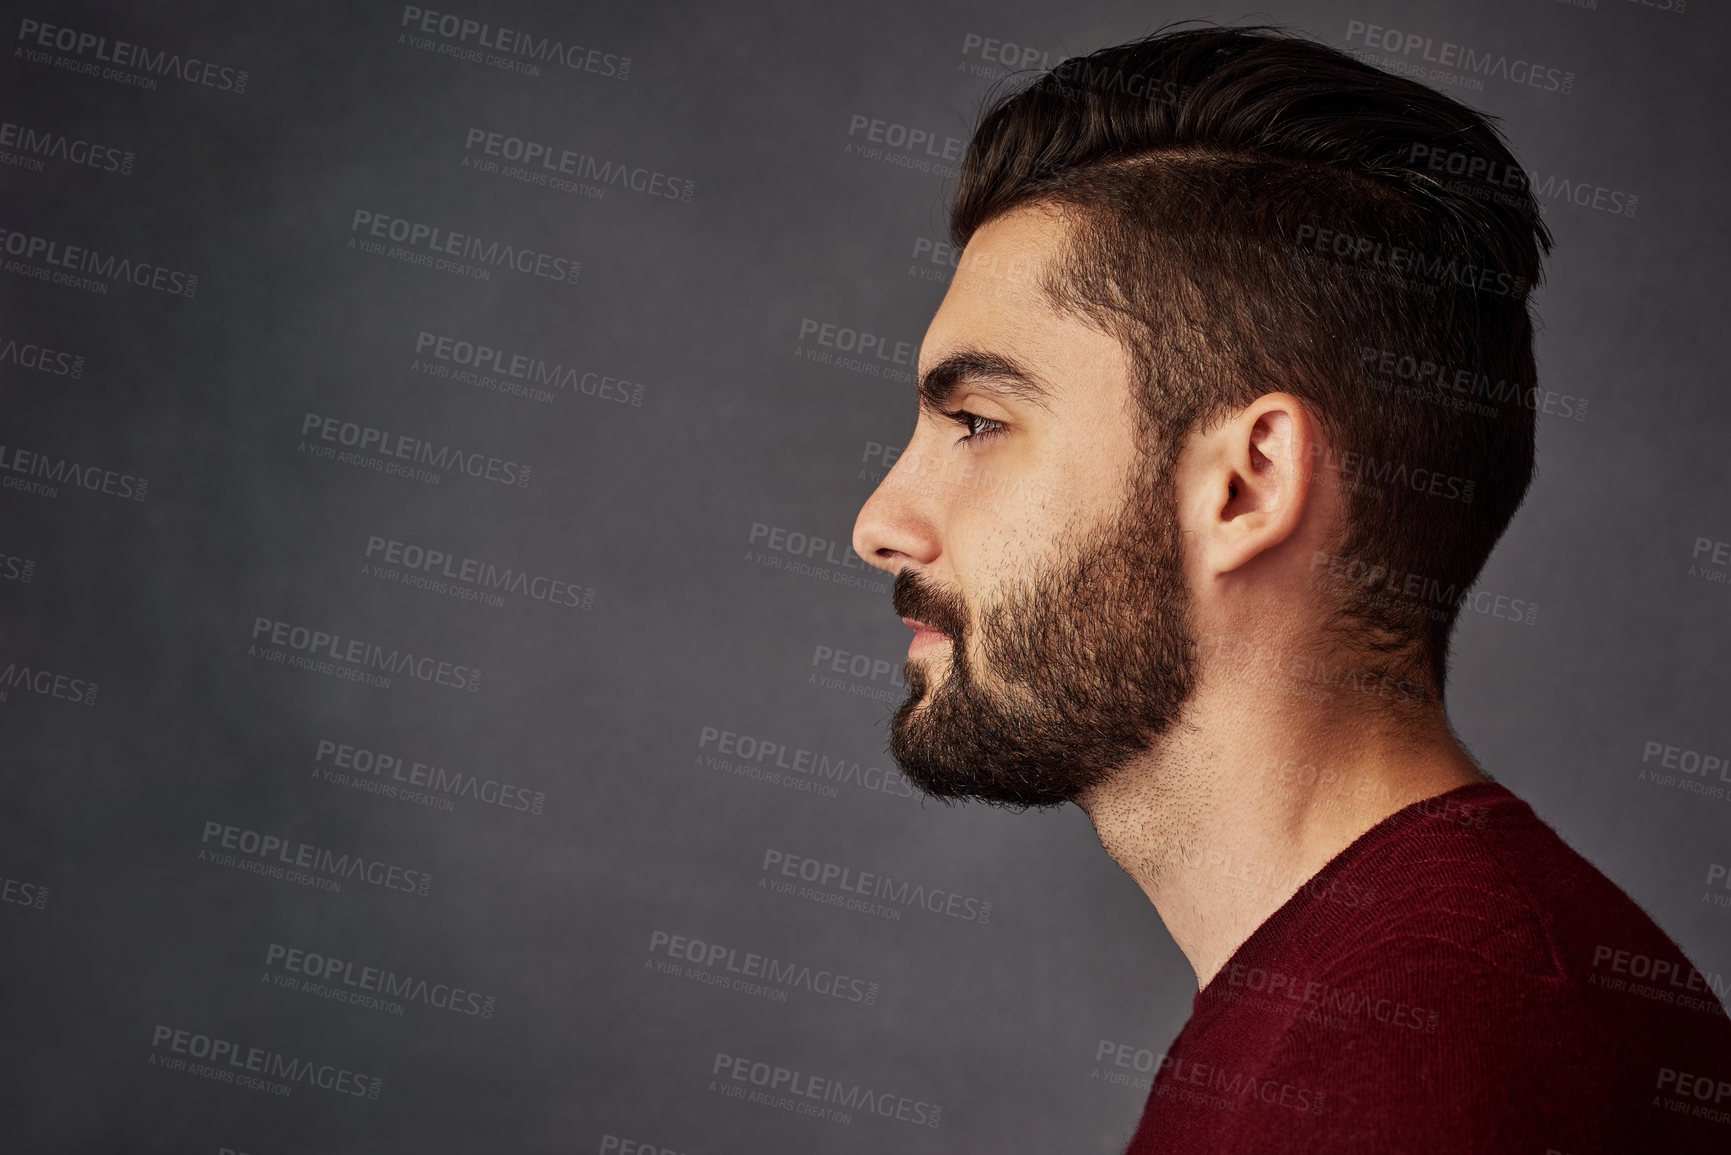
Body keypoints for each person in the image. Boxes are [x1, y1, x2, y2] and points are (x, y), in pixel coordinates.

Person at [850, 24, 1731, 1153]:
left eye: (977, 422)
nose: (881, 523)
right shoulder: (1376, 1009)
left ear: (1247, 485)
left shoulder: (1421, 1069)